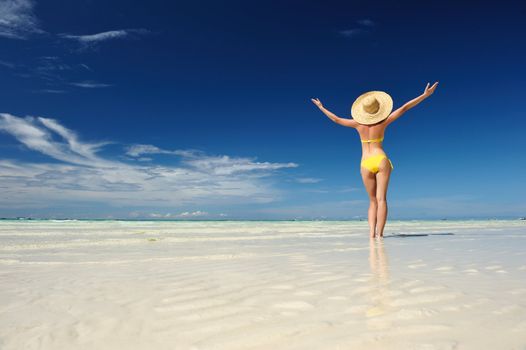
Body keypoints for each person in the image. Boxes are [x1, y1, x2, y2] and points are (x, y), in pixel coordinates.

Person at [311, 82, 439, 238]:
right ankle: (380, 235)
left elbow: (336, 119)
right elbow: (405, 108)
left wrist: (321, 107)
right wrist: (425, 95)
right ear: (378, 110)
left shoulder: (357, 124)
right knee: (381, 199)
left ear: (363, 112)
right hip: (380, 159)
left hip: (365, 163)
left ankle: (371, 235)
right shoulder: (383, 122)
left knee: (372, 201)